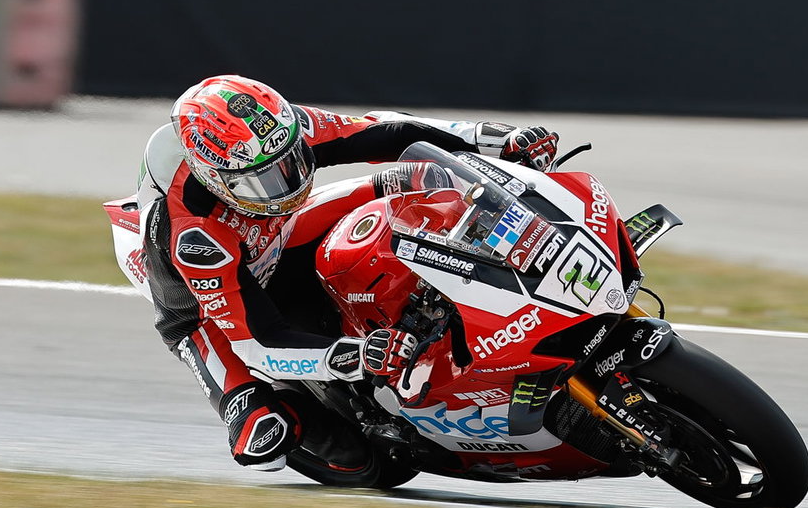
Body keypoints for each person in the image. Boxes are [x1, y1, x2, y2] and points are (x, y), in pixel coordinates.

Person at [137, 75, 559, 471]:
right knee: (268, 436)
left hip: (275, 235)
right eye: (261, 180)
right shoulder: (192, 236)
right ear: (212, 177)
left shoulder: (275, 132)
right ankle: (269, 412)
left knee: (417, 177)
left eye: (290, 163)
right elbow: (256, 342)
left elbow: (387, 130)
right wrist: (356, 356)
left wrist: (494, 138)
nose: (285, 183)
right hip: (209, 310)